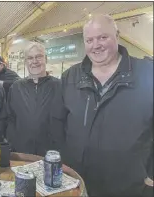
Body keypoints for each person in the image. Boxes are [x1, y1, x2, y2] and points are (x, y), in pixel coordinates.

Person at [58, 14, 153, 197]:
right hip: (80, 181)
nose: (96, 45)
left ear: (117, 36)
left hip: (131, 185)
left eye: (103, 37)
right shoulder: (70, 77)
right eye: (90, 40)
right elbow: (59, 122)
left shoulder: (147, 73)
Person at [6, 42, 63, 156]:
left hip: (51, 154)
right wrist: (12, 144)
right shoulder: (17, 87)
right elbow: (10, 118)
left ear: (45, 59)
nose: (35, 61)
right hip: (22, 152)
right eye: (30, 58)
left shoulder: (59, 86)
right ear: (26, 62)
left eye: (39, 57)